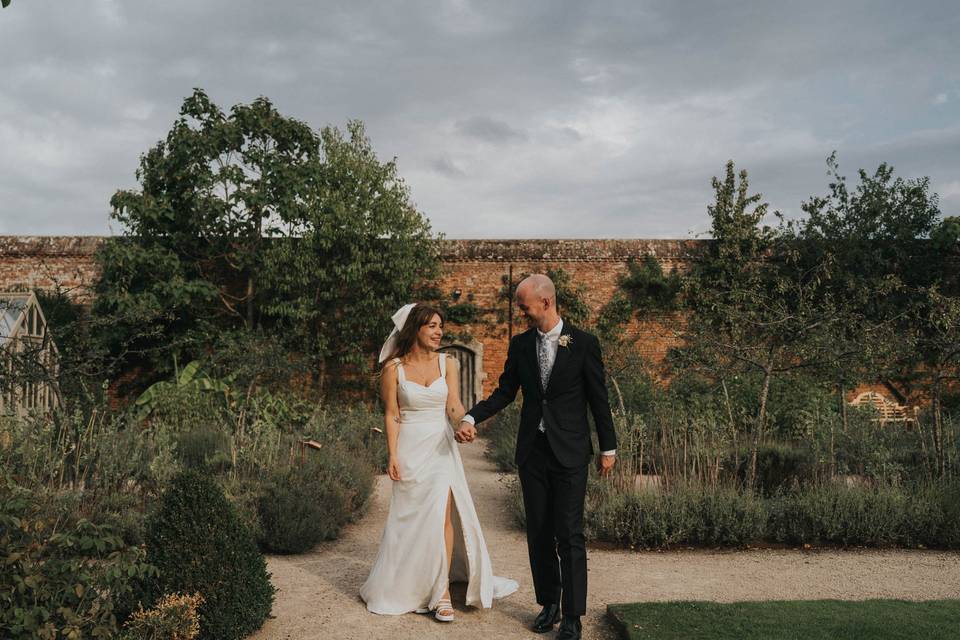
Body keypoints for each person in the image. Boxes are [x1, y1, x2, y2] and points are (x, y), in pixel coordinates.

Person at [456, 274, 617, 640]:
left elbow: (598, 399)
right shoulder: (520, 344)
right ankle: (550, 604)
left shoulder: (584, 344)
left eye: (524, 305)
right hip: (533, 452)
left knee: (570, 534)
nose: (520, 311)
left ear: (545, 302)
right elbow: (505, 392)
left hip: (571, 453)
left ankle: (574, 617)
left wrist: (608, 447)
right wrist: (471, 416)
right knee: (540, 533)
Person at [360, 303, 518, 621]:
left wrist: (465, 424)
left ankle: (441, 591)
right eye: (431, 326)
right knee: (410, 520)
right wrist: (391, 454)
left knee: (442, 516)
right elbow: (392, 414)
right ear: (414, 329)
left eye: (440, 326)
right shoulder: (394, 369)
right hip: (409, 448)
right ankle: (407, 582)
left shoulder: (449, 364)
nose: (438, 331)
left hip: (440, 447)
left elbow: (455, 406)